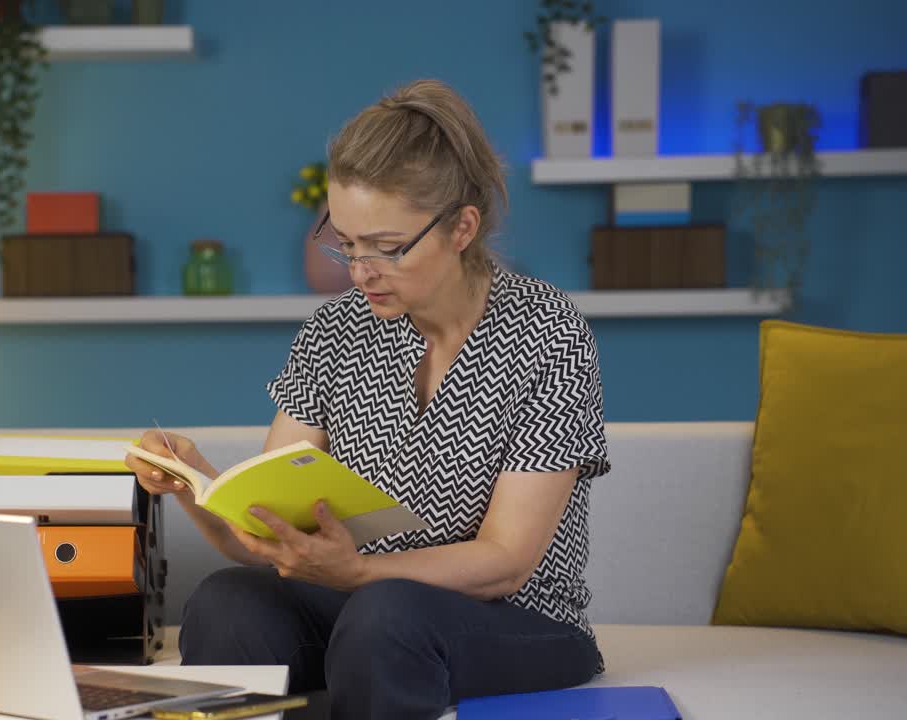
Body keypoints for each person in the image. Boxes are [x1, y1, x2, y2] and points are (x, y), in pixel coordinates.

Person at [124, 78, 610, 720]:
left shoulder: (547, 333)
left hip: (515, 619)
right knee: (226, 600)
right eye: (347, 245)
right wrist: (195, 484)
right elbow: (265, 538)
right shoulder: (334, 332)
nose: (360, 272)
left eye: (386, 249)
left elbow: (505, 564)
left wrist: (357, 576)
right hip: (363, 609)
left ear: (462, 226)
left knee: (387, 615)